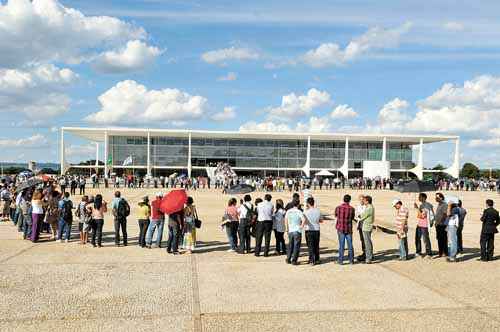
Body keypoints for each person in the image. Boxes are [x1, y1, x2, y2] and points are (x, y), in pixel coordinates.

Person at [285, 199, 306, 265]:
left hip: (290, 230)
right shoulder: (299, 211)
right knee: (296, 246)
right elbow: (304, 220)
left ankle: (288, 258)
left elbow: (285, 220)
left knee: (290, 245)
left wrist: (287, 229)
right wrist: (301, 226)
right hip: (297, 230)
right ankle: (294, 260)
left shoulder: (288, 211)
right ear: (298, 204)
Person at [335, 194, 355, 265]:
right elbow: (352, 218)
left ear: (343, 199)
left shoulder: (338, 208)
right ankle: (351, 260)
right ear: (349, 200)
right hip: (348, 228)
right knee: (350, 245)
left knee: (341, 245)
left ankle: (340, 260)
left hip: (340, 228)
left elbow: (336, 215)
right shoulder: (352, 209)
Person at [414, 193, 433, 258]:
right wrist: (418, 209)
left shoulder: (427, 205)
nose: (418, 198)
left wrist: (417, 208)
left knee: (426, 239)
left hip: (424, 225)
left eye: (420, 197)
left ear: (424, 198)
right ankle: (418, 251)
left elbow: (422, 216)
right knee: (417, 238)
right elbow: (418, 216)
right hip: (419, 224)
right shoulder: (421, 205)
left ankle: (429, 253)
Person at [303, 197, 321, 265]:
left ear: (308, 203)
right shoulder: (318, 211)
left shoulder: (306, 212)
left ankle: (311, 260)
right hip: (316, 229)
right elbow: (321, 220)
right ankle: (317, 259)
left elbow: (303, 221)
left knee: (310, 246)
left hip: (309, 230)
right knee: (316, 245)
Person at [358, 195, 374, 264]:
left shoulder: (369, 208)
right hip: (367, 226)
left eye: (364, 200)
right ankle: (369, 256)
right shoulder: (369, 207)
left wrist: (359, 215)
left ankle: (368, 258)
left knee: (367, 243)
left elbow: (361, 216)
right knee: (368, 242)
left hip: (366, 227)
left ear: (367, 201)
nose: (363, 201)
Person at [434, 193, 448, 257]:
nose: (436, 198)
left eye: (437, 197)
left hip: (442, 225)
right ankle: (440, 252)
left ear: (441, 198)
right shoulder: (439, 204)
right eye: (436, 197)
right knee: (439, 238)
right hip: (438, 224)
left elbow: (445, 215)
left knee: (444, 239)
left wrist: (440, 222)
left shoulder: (444, 205)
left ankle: (445, 252)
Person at [355, 195, 366, 262]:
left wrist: (360, 215)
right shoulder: (358, 206)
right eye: (360, 199)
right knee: (362, 239)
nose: (361, 201)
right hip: (360, 223)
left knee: (366, 239)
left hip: (365, 224)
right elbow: (357, 214)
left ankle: (367, 253)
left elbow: (362, 215)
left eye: (362, 199)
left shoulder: (366, 206)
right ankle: (364, 251)